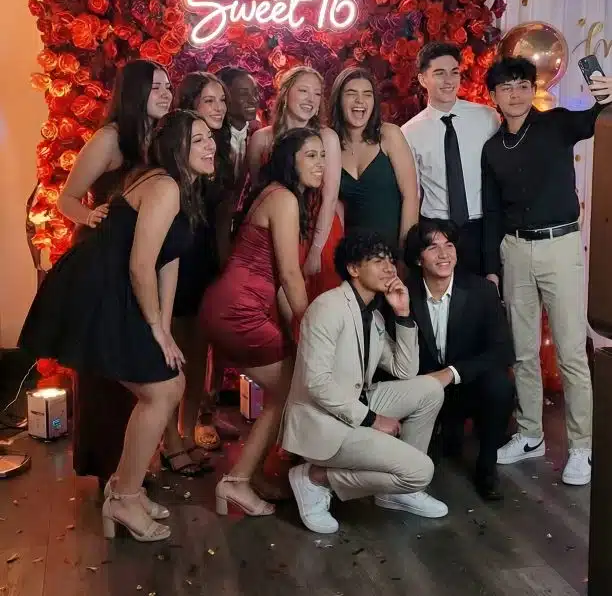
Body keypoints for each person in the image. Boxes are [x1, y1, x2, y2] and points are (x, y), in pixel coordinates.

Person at [20, 110, 217, 542]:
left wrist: (163, 328)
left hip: (115, 286)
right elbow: (141, 265)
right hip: (99, 288)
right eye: (199, 139)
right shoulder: (165, 186)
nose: (211, 146)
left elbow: (167, 260)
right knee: (162, 390)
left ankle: (123, 489)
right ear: (176, 148)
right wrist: (156, 328)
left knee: (170, 385)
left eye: (210, 138)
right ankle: (124, 497)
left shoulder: (179, 186)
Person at [482, 56, 612, 486]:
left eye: (523, 85)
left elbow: (595, 119)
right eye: (506, 87)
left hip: (560, 246)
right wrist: (493, 267)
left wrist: (606, 96)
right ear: (494, 95)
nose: (515, 94)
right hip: (515, 249)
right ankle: (530, 434)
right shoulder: (493, 148)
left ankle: (581, 448)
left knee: (571, 353)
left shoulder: (555, 124)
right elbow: (492, 211)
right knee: (523, 351)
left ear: (532, 90)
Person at [56, 59, 174, 486]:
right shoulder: (109, 139)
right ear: (134, 92)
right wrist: (89, 216)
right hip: (101, 262)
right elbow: (66, 198)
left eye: (168, 86)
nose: (165, 93)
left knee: (133, 367)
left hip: (136, 260)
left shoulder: (157, 137)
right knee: (104, 370)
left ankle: (131, 469)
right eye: (156, 87)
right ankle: (108, 470)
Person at [283, 229, 447, 534]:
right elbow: (317, 383)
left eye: (390, 261)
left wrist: (403, 314)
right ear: (353, 269)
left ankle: (398, 492)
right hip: (323, 422)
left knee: (430, 389)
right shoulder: (327, 308)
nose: (389, 268)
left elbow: (404, 370)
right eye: (377, 261)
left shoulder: (374, 316)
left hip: (357, 401)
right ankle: (314, 478)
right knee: (422, 471)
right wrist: (372, 419)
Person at [201, 128, 324, 517]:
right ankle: (236, 482)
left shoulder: (277, 195)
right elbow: (289, 275)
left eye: (323, 155)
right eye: (311, 156)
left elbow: (281, 283)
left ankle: (249, 475)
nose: (321, 164)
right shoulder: (283, 198)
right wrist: (313, 330)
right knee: (287, 389)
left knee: (286, 386)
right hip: (237, 311)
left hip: (231, 305)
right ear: (290, 161)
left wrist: (297, 331)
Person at [404, 218, 515, 501]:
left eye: (449, 245)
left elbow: (502, 351)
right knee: (422, 467)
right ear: (418, 258)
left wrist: (452, 373)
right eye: (433, 247)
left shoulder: (481, 291)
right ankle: (440, 436)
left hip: (466, 382)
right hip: (422, 388)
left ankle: (486, 467)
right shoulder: (405, 294)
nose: (444, 254)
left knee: (500, 386)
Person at [170, 72, 238, 459]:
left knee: (198, 353)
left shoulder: (222, 151)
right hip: (175, 257)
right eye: (209, 100)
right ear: (190, 104)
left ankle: (188, 429)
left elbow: (224, 218)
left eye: (222, 100)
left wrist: (226, 265)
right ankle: (169, 440)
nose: (219, 108)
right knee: (172, 357)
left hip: (206, 258)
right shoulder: (172, 148)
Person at [247, 66, 344, 303]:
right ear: (285, 93)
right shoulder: (261, 139)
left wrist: (316, 250)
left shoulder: (327, 137)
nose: (311, 99)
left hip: (318, 230)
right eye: (303, 91)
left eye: (317, 93)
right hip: (277, 232)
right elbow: (258, 196)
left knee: (321, 303)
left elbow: (330, 198)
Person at [401, 42, 499, 275]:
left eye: (454, 72)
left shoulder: (487, 117)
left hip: (481, 229)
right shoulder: (409, 132)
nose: (449, 80)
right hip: (436, 230)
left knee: (484, 293)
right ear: (423, 79)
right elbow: (412, 192)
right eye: (439, 73)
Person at [330, 67, 418, 255]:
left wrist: (404, 254)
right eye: (351, 94)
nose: (360, 100)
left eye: (367, 94)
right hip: (352, 257)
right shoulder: (330, 143)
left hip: (392, 254)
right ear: (338, 100)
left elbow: (411, 196)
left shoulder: (389, 135)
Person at [217, 67, 260, 184]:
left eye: (255, 93)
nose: (253, 100)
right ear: (225, 97)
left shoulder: (258, 134)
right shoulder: (211, 137)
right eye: (243, 94)